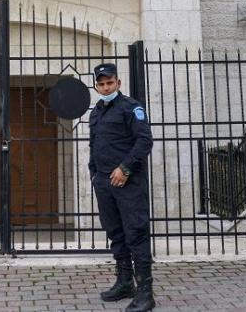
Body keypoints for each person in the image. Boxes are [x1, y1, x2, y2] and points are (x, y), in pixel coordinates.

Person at [89, 63, 155, 311]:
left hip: (128, 183)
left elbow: (144, 141)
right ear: (96, 86)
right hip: (104, 182)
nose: (106, 87)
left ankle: (145, 293)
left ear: (118, 83)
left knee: (136, 233)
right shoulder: (96, 112)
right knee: (115, 233)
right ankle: (125, 282)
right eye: (101, 84)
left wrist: (125, 168)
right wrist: (94, 173)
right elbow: (94, 145)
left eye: (110, 83)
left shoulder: (131, 107)